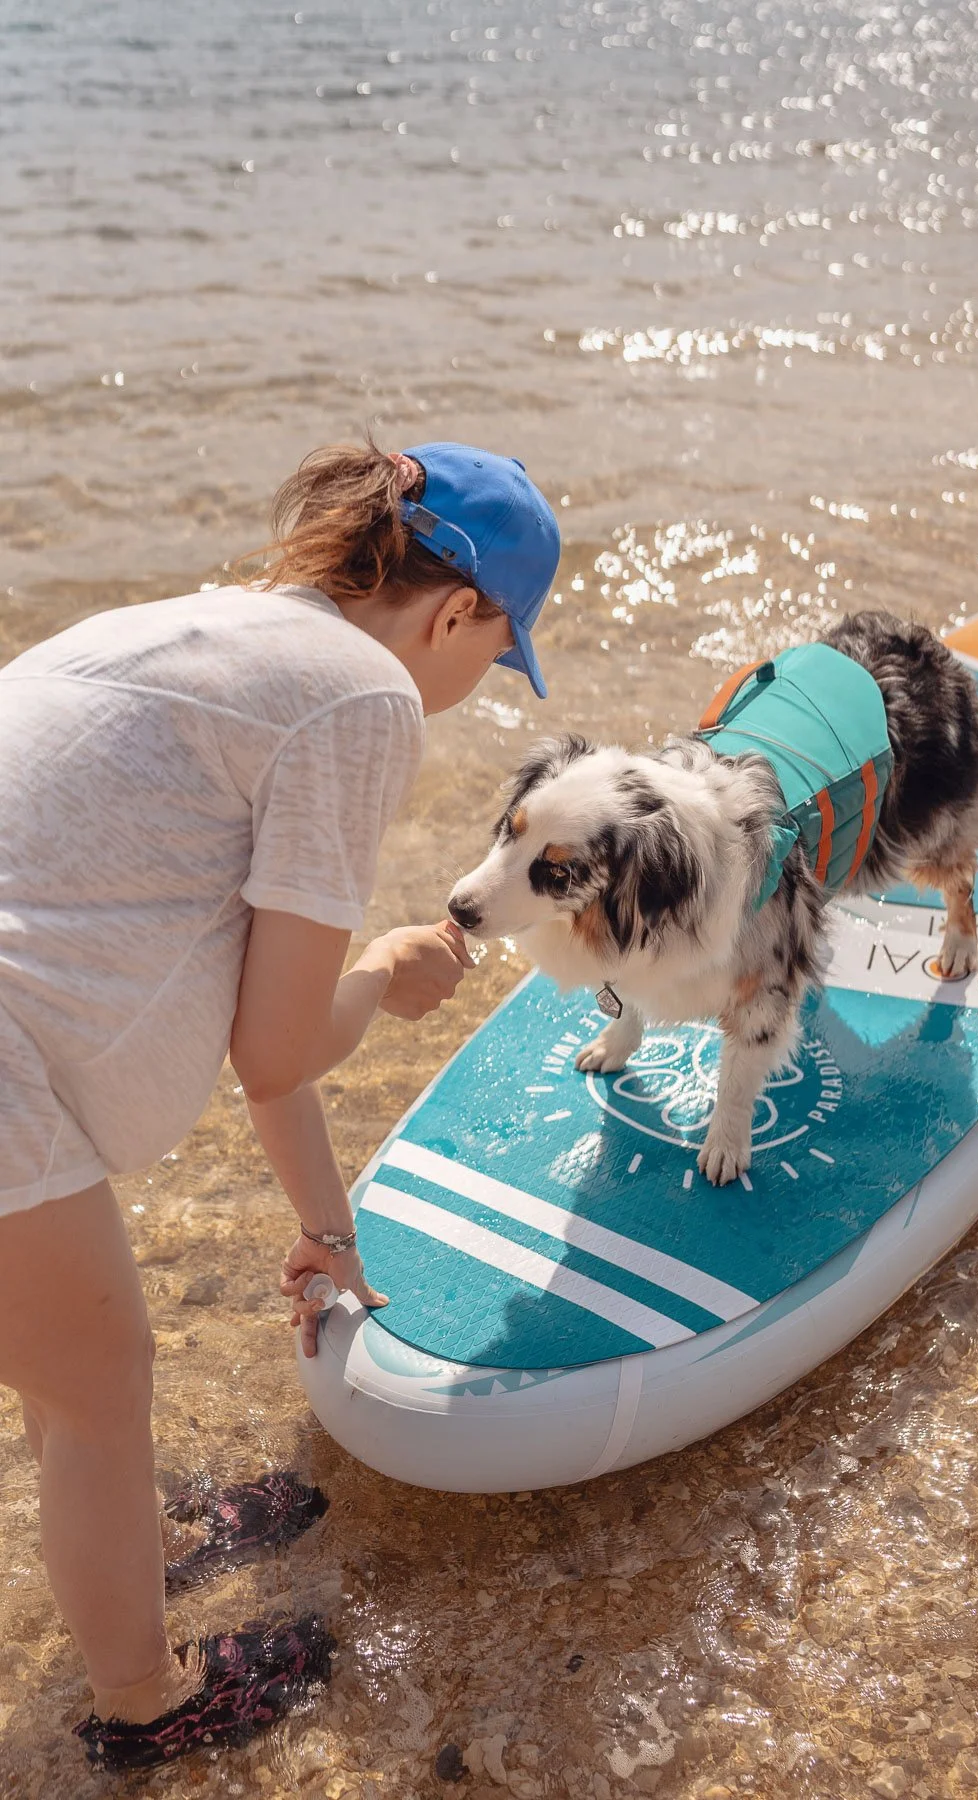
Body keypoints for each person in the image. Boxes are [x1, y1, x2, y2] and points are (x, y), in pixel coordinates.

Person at [0, 439, 560, 1769]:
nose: (476, 687)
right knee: (94, 1387)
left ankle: (151, 1541)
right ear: (453, 615)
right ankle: (149, 1700)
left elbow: (258, 1032)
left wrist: (332, 1226)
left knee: (65, 1359)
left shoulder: (180, 630)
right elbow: (280, 1038)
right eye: (494, 657)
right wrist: (386, 977)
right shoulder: (363, 697)